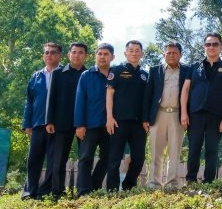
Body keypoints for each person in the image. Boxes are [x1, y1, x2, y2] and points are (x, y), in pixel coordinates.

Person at [184, 33, 222, 183]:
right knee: (194, 148)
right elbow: (185, 90)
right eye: (208, 44)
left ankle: (209, 182)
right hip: (195, 114)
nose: (211, 47)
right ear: (204, 46)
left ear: (221, 47)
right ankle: (191, 181)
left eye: (215, 44)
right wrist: (184, 113)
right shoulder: (194, 67)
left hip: (216, 115)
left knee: (212, 150)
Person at [143, 41, 191, 188]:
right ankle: (154, 183)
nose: (171, 55)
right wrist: (145, 118)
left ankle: (172, 183)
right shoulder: (154, 70)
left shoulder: (187, 70)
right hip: (158, 114)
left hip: (177, 115)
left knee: (175, 151)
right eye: (168, 53)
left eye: (175, 53)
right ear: (164, 54)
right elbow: (148, 95)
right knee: (155, 150)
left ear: (180, 55)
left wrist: (186, 115)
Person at [105, 40, 149, 192]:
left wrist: (146, 119)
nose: (134, 53)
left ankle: (128, 186)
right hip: (118, 122)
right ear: (125, 53)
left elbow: (147, 100)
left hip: (138, 124)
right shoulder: (116, 70)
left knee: (139, 158)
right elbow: (109, 94)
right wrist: (109, 117)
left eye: (137, 50)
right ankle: (112, 189)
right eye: (131, 50)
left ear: (142, 54)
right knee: (114, 158)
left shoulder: (145, 75)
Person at [46, 42, 87, 198]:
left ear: (86, 56)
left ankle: (83, 191)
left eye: (80, 52)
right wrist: (49, 121)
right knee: (58, 159)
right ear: (69, 54)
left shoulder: (89, 74)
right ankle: (57, 192)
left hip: (83, 123)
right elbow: (51, 98)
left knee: (84, 158)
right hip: (61, 122)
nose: (77, 55)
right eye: (74, 52)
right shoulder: (57, 73)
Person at [22, 42, 62, 199]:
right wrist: (27, 124)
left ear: (59, 55)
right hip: (37, 124)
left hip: (58, 125)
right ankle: (29, 192)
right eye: (46, 52)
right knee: (33, 159)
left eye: (53, 52)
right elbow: (29, 102)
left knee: (53, 161)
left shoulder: (64, 74)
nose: (49, 55)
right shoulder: (36, 76)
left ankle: (45, 192)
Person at [74, 43, 114, 196]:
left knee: (108, 158)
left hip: (109, 125)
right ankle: (83, 191)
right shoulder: (86, 75)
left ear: (112, 57)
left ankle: (94, 188)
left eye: (106, 54)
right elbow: (80, 101)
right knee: (85, 158)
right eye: (100, 54)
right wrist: (79, 125)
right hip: (89, 125)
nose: (102, 57)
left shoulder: (115, 75)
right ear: (95, 56)